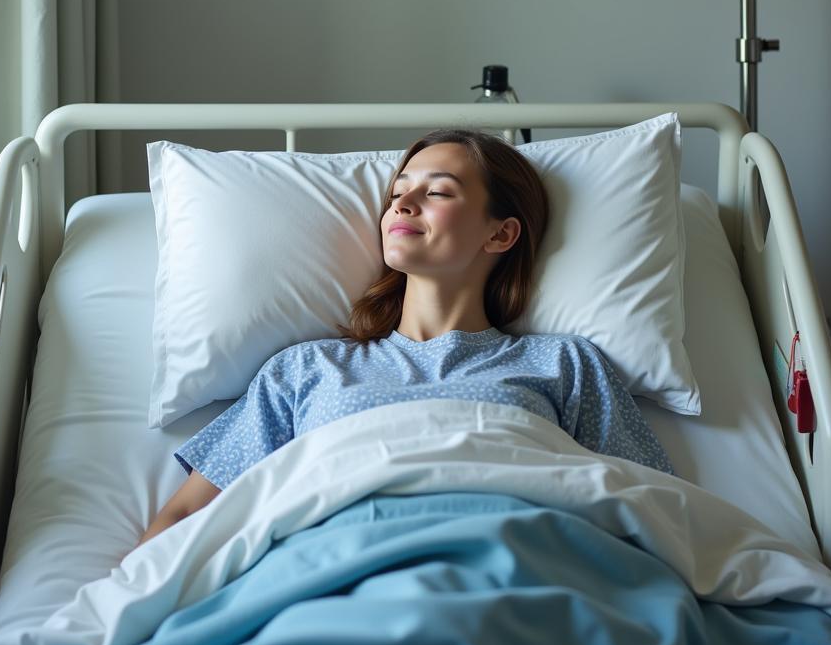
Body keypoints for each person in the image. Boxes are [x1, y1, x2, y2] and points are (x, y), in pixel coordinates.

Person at [138, 128, 672, 546]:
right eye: (398, 193)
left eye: (437, 191)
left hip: (514, 562)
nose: (403, 203)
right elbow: (186, 514)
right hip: (331, 571)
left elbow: (656, 507)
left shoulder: (565, 364)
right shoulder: (304, 370)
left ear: (501, 233)